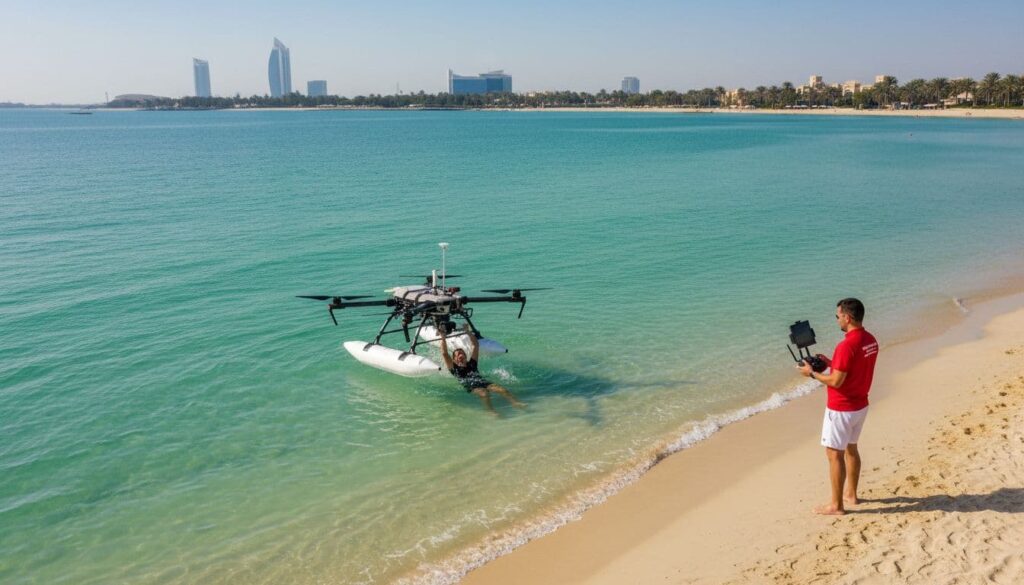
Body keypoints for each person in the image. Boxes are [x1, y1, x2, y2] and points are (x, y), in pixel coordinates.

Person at [798, 298, 879, 516]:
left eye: (838, 316)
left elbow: (835, 381)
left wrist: (812, 373)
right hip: (860, 405)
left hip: (841, 408)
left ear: (847, 317)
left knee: (834, 454)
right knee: (851, 448)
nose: (837, 320)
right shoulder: (870, 340)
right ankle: (851, 494)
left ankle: (836, 505)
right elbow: (853, 368)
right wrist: (830, 361)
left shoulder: (846, 346)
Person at [438, 323, 525, 414]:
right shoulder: (454, 368)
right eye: (458, 354)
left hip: (484, 382)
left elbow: (475, 346)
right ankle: (490, 411)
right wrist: (443, 337)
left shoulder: (472, 363)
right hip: (471, 386)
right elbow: (444, 354)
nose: (461, 355)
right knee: (484, 393)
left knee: (502, 390)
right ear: (454, 359)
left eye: (462, 353)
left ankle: (515, 403)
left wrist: (467, 331)